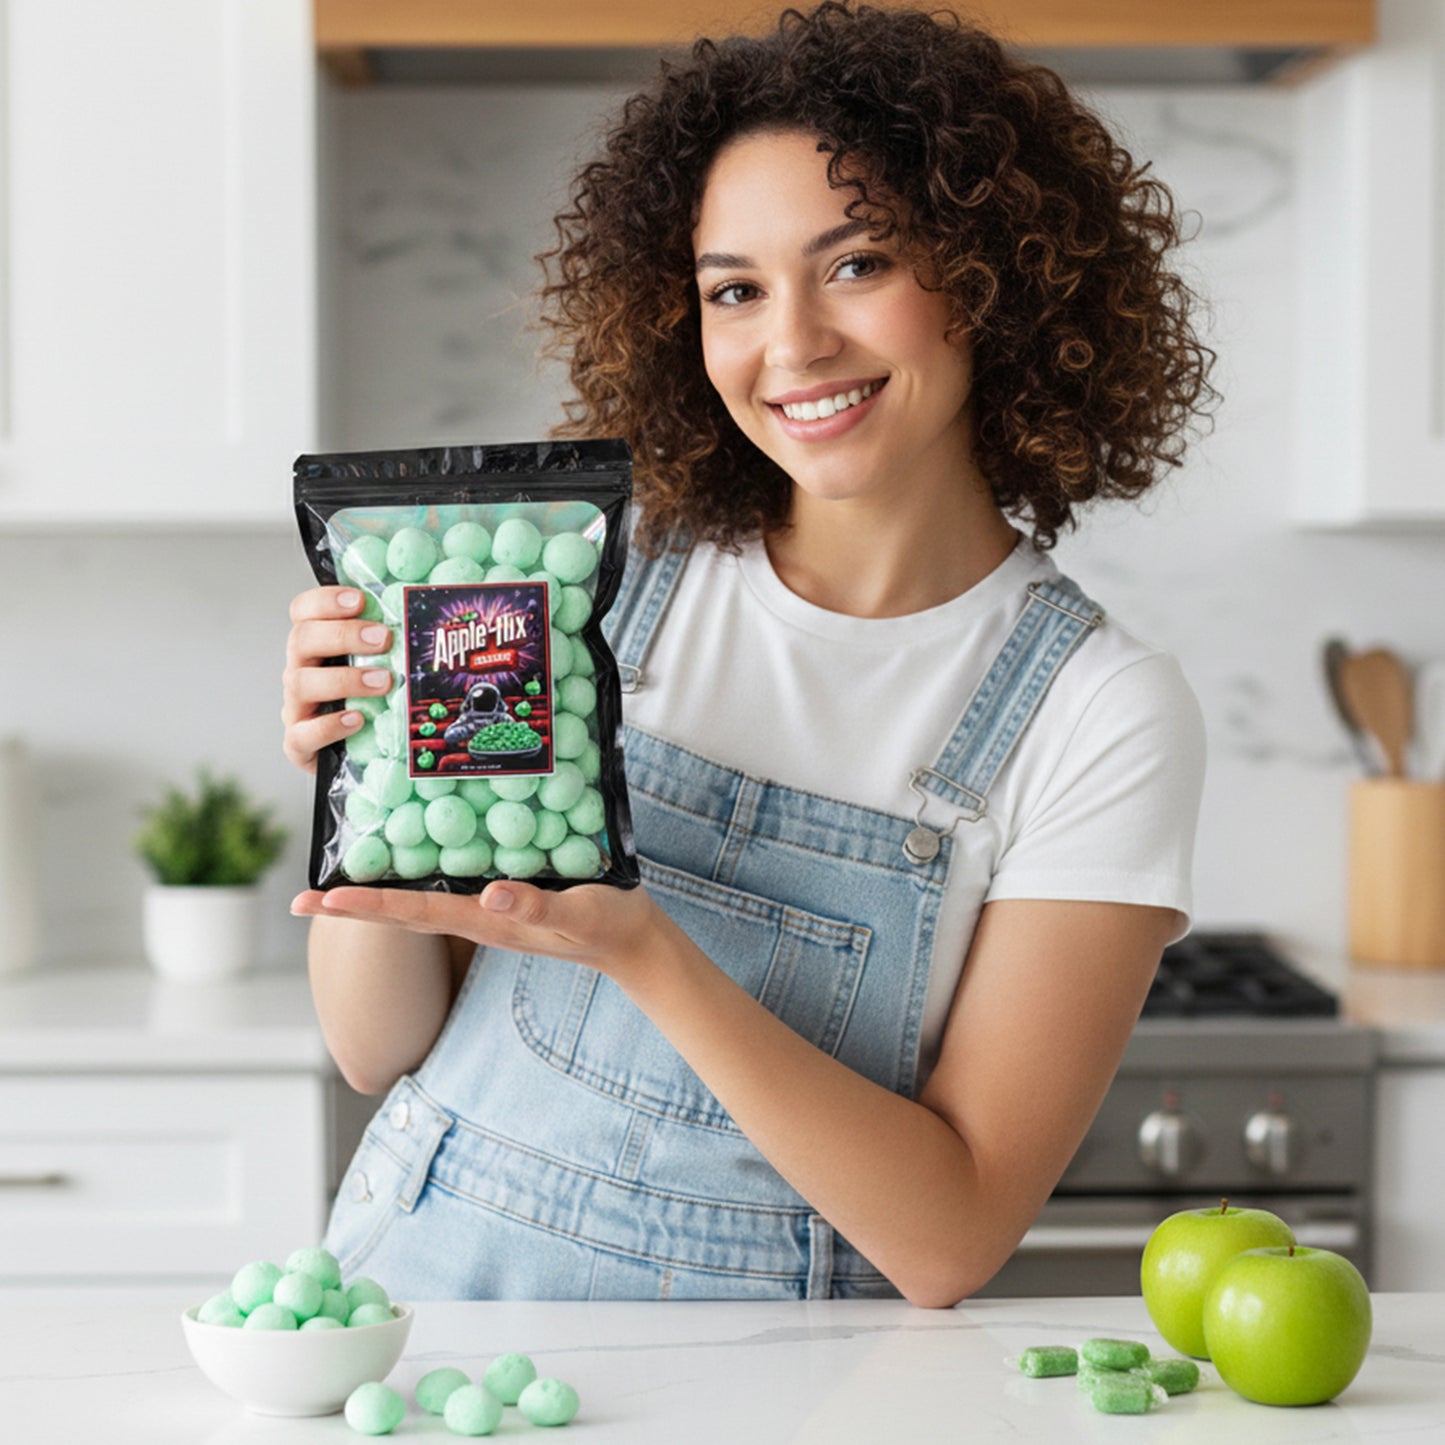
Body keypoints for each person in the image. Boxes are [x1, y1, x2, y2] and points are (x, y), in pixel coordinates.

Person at [282, 1, 1214, 1307]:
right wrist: (362, 757)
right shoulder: (582, 578)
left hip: (768, 1389)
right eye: (735, 288)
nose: (791, 346)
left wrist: (640, 945)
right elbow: (376, 1046)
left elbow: (947, 1236)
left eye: (856, 264)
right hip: (420, 1325)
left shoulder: (1097, 710)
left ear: (990, 276)